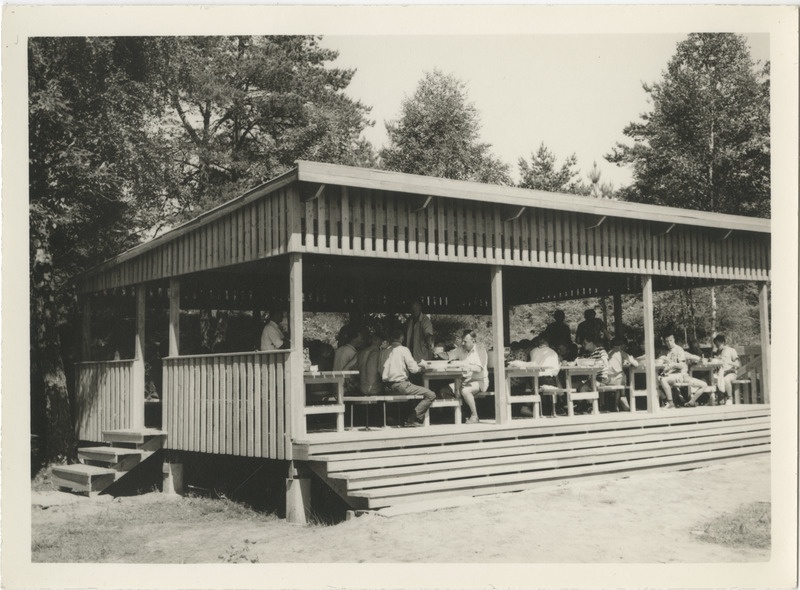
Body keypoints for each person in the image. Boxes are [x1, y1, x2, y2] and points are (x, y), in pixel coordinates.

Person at [382, 327, 436, 427]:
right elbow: (413, 369)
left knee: (410, 390)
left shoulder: (385, 351)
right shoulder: (404, 350)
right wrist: (421, 367)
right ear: (402, 338)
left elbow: (380, 369)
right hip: (401, 385)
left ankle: (402, 419)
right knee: (431, 394)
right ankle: (412, 419)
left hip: (386, 387)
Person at [438, 330, 489, 424]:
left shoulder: (481, 350)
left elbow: (479, 369)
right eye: (462, 340)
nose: (462, 343)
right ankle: (459, 415)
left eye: (465, 341)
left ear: (473, 340)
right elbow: (448, 356)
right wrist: (438, 351)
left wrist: (465, 365)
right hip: (463, 381)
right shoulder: (461, 349)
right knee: (444, 391)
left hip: (479, 381)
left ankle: (474, 416)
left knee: (465, 391)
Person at [658, 332, 704, 409]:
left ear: (674, 340)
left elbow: (682, 365)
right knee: (653, 381)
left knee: (663, 380)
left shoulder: (679, 349)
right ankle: (665, 400)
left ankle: (670, 403)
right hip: (668, 374)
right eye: (667, 341)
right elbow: (660, 361)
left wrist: (673, 364)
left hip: (678, 374)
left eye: (670, 340)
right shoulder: (664, 351)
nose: (669, 343)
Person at [529, 335, 562, 416]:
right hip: (547, 379)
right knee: (557, 381)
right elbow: (555, 371)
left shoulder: (532, 351)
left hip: (533, 380)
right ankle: (556, 408)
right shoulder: (552, 352)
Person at [607, 336, 638, 411]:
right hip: (618, 379)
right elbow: (636, 364)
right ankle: (622, 397)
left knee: (620, 376)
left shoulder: (609, 353)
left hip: (608, 379)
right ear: (621, 346)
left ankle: (616, 405)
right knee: (622, 375)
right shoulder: (621, 352)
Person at [355, 329, 388, 396]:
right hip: (375, 390)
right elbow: (383, 372)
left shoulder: (360, 353)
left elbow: (349, 368)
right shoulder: (379, 354)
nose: (382, 342)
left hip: (361, 389)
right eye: (382, 340)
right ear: (377, 340)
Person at [712, 333, 740, 404]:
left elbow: (738, 364)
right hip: (720, 372)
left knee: (725, 379)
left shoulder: (731, 350)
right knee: (711, 379)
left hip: (731, 372)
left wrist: (728, 362)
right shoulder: (718, 352)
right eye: (715, 345)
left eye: (718, 344)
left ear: (723, 342)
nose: (716, 346)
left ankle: (730, 398)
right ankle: (716, 400)